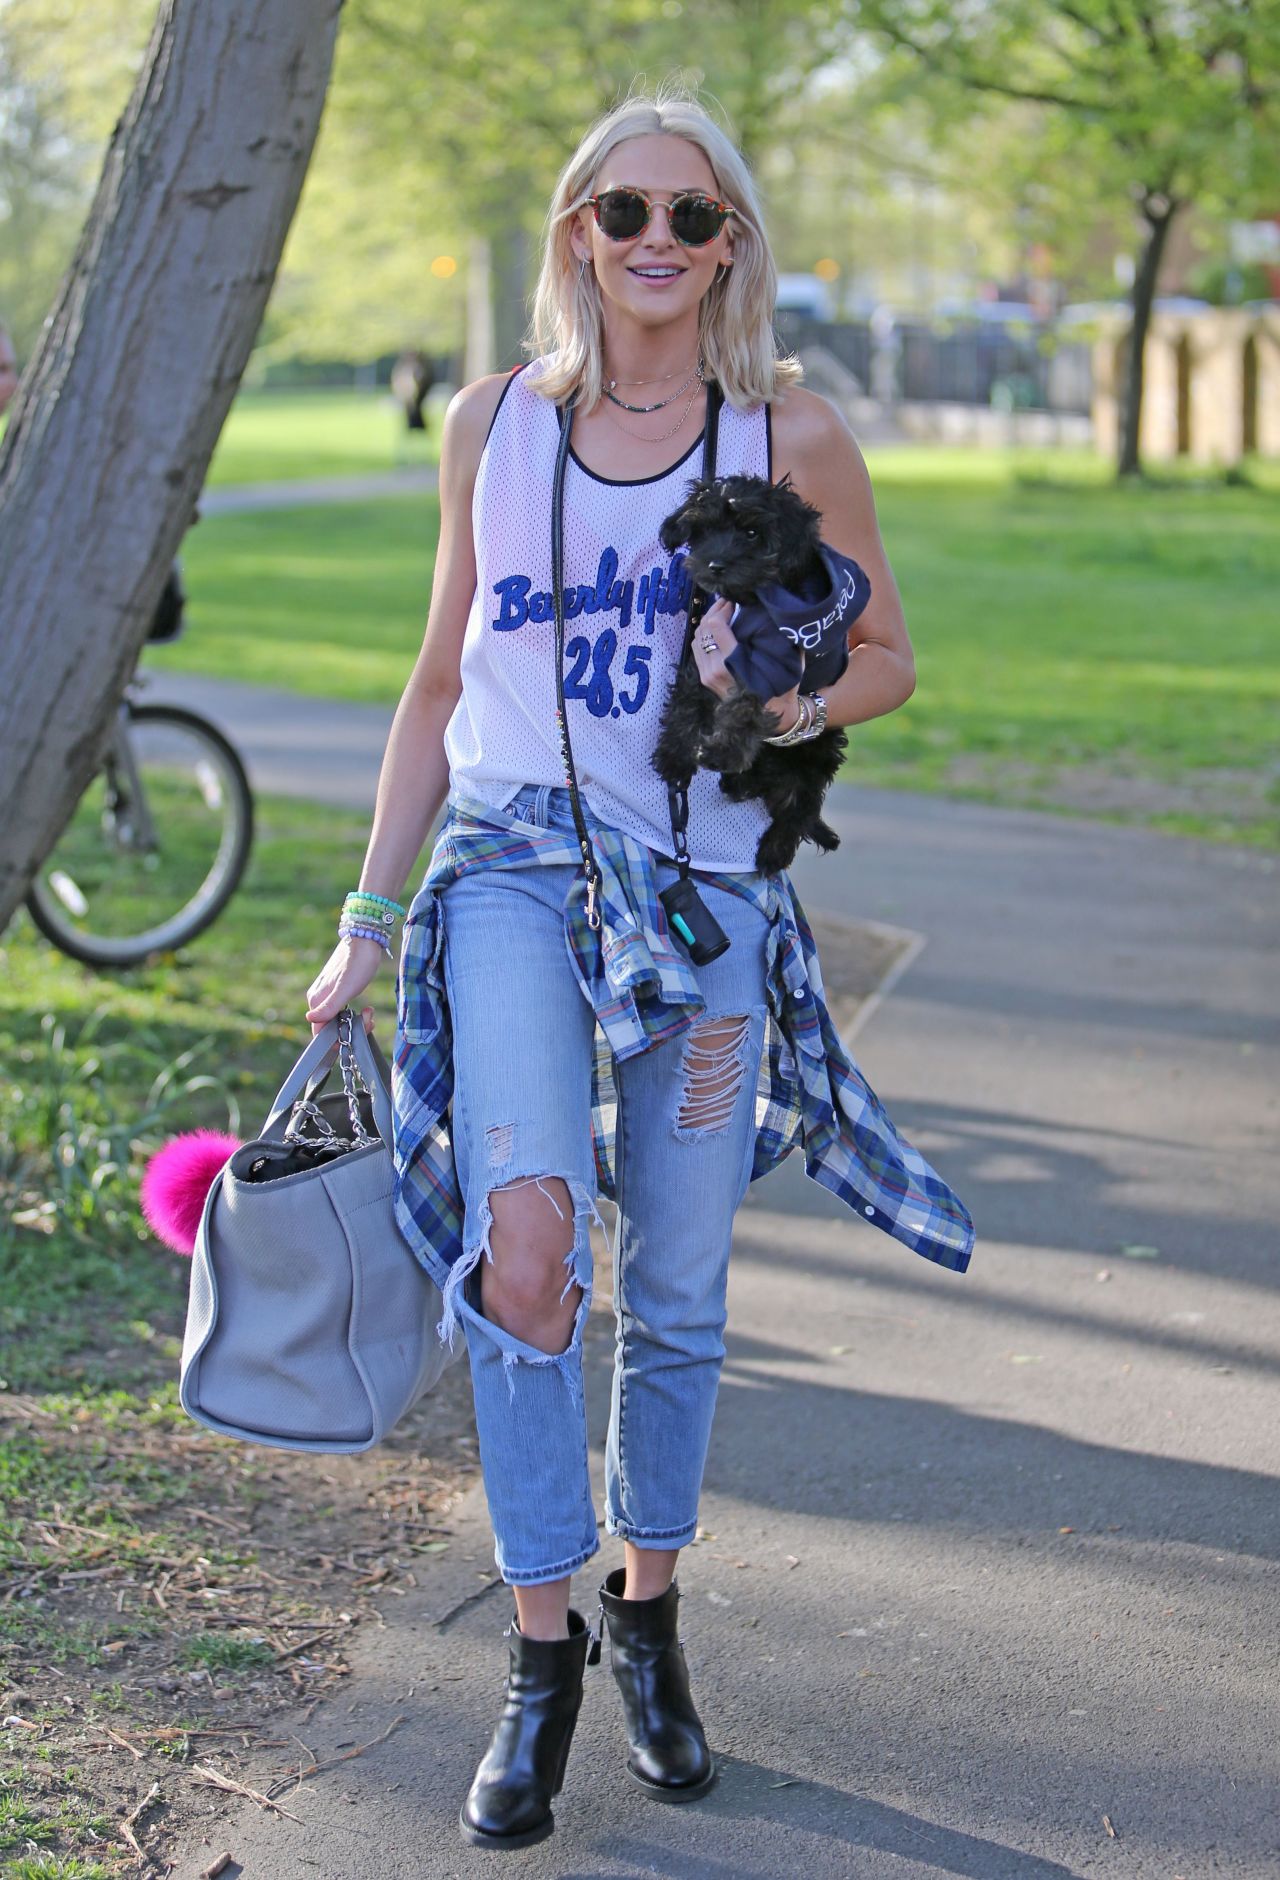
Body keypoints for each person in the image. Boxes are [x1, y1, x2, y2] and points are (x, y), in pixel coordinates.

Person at [305, 79, 974, 1852]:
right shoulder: (493, 424)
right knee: (528, 1261)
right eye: (627, 211)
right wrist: (369, 917)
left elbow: (892, 656)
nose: (658, 240)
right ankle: (540, 1656)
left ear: (732, 243)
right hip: (513, 875)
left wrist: (784, 701)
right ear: (577, 234)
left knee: (674, 1285)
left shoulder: (790, 432)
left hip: (706, 898)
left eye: (694, 215)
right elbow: (438, 682)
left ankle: (649, 1618)